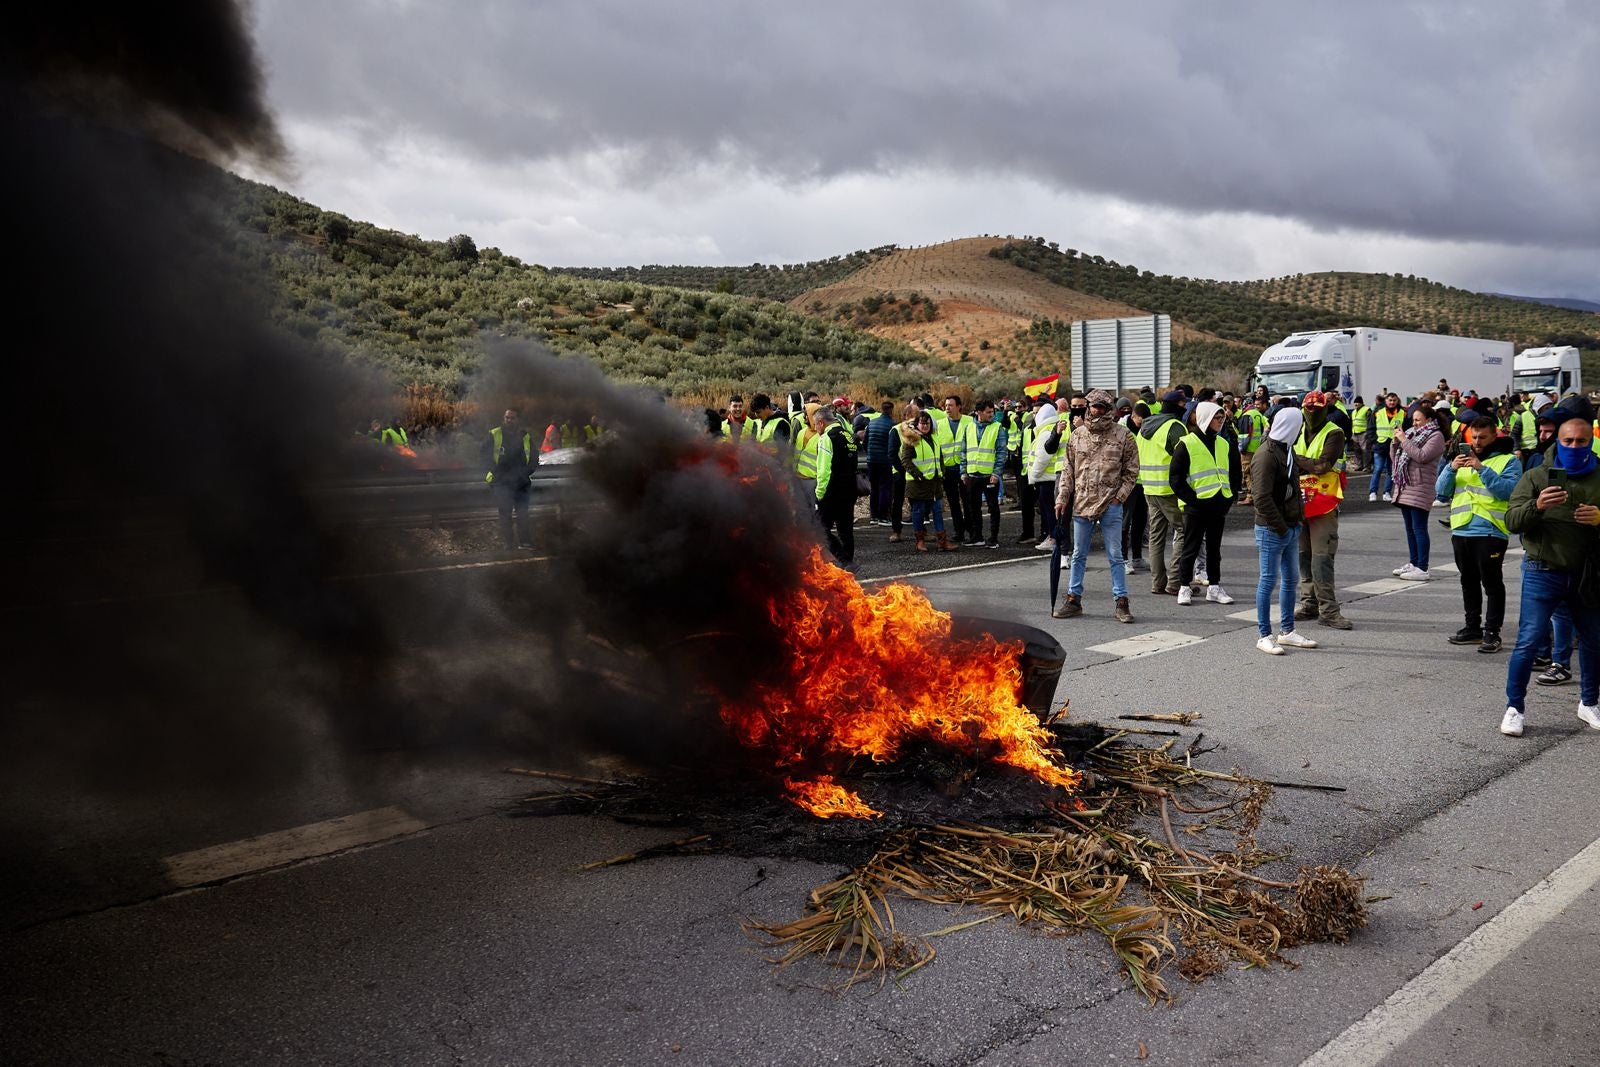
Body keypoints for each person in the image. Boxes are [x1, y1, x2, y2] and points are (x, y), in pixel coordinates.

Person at [1499, 411, 1600, 737]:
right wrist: (1538, 507)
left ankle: (1589, 702)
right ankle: (1514, 707)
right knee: (1528, 642)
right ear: (1557, 441)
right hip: (1543, 569)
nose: (1574, 446)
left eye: (1581, 441)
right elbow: (1512, 521)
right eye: (1567, 440)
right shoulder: (1536, 476)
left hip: (1587, 573)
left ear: (1591, 441)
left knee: (1593, 641)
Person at [1052, 389, 1139, 622]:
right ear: (1087, 406)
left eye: (1101, 407)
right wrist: (1062, 498)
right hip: (1082, 503)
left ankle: (1121, 602)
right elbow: (1068, 470)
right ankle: (1073, 599)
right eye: (1093, 406)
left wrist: (1119, 497)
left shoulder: (1123, 436)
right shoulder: (1077, 435)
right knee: (1079, 554)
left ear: (1109, 409)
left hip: (1111, 504)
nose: (1096, 410)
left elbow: (1131, 472)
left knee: (1115, 555)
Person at [1438, 415, 1522, 653]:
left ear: (1495, 436)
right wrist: (1450, 469)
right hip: (1462, 528)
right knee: (1468, 581)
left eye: (1483, 437)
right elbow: (1441, 492)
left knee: (1492, 583)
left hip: (1491, 531)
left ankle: (1492, 632)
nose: (1477, 441)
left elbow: (1508, 491)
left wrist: (1481, 468)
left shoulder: (1508, 461)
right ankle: (1472, 627)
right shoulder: (1460, 459)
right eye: (1473, 437)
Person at [1251, 407, 1318, 654]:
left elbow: (1293, 489)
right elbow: (1261, 498)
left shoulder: (1286, 449)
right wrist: (1281, 527)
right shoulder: (1266, 455)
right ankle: (1264, 634)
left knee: (1291, 579)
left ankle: (1287, 631)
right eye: (1300, 425)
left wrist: (1297, 521)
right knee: (1268, 580)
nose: (1302, 429)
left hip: (1289, 525)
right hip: (1272, 528)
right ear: (1291, 427)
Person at [1170, 400, 1241, 606]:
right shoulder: (1186, 443)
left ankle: (1214, 587)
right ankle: (1184, 587)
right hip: (1196, 506)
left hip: (1219, 505)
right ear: (1205, 419)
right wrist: (1193, 500)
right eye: (1216, 418)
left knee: (1214, 549)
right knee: (1190, 548)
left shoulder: (1224, 443)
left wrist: (1230, 497)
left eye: (1222, 418)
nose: (1220, 421)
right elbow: (1175, 478)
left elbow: (1235, 474)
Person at [1294, 391, 1353, 629]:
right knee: (1304, 554)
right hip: (1300, 500)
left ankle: (1328, 609)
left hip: (1324, 502)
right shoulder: (1298, 429)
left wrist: (1297, 460)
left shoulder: (1334, 433)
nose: (1312, 412)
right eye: (1308, 408)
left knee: (1322, 556)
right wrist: (1308, 463)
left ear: (1325, 409)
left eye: (1317, 408)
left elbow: (1323, 465)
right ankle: (1309, 602)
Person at [1137, 390, 1190, 595]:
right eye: (1183, 404)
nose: (1185, 408)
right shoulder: (1175, 426)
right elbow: (1185, 458)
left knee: (1156, 537)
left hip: (1149, 488)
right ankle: (1175, 582)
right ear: (1177, 405)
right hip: (1170, 490)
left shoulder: (1145, 427)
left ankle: (1158, 582)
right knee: (1184, 532)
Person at [1389, 404, 1449, 580]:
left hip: (1421, 486)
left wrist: (1404, 440)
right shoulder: (1412, 434)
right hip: (1406, 486)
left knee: (1419, 528)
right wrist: (1395, 442)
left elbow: (1421, 456)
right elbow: (1396, 459)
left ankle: (1422, 567)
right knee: (1410, 529)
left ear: (1429, 420)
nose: (1414, 423)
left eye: (1418, 420)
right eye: (1413, 420)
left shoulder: (1436, 436)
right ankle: (1413, 563)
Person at [901, 410, 958, 553]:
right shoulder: (911, 440)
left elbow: (939, 457)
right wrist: (918, 475)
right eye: (922, 423)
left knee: (938, 511)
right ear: (917, 424)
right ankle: (920, 541)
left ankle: (942, 542)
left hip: (935, 482)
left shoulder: (934, 438)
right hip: (918, 483)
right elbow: (905, 460)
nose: (925, 426)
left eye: (927, 423)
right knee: (918, 512)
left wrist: (942, 472)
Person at [811, 403, 858, 567]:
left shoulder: (826, 438)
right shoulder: (848, 434)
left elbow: (823, 471)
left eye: (815, 424)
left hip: (833, 490)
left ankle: (844, 560)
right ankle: (849, 564)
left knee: (820, 529)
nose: (815, 429)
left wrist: (819, 494)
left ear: (821, 423)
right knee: (845, 529)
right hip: (850, 487)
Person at [484, 408, 536, 550]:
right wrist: (495, 473)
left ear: (517, 419)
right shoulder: (494, 434)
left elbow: (534, 457)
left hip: (521, 482)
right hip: (502, 482)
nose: (509, 420)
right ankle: (509, 544)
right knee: (505, 514)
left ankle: (525, 543)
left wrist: (525, 473)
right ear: (503, 418)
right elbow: (484, 455)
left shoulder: (525, 436)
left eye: (512, 418)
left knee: (523, 514)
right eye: (507, 417)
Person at [960, 398, 1007, 547]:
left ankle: (993, 538)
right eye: (988, 412)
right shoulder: (969, 428)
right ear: (978, 412)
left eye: (992, 411)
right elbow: (964, 452)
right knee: (973, 508)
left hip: (989, 476)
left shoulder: (997, 427)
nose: (991, 414)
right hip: (973, 475)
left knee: (993, 507)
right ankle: (977, 536)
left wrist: (996, 473)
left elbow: (1001, 452)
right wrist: (964, 472)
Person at [933, 396, 974, 542]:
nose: (947, 408)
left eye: (950, 405)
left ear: (959, 406)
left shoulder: (970, 421)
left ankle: (971, 529)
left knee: (968, 500)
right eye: (946, 405)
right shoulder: (939, 424)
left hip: (965, 468)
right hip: (948, 469)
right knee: (953, 502)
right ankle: (959, 531)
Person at [1027, 400, 1063, 549]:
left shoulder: (1045, 433)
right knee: (1050, 511)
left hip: (1046, 479)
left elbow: (1042, 458)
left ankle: (1054, 538)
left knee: (1049, 511)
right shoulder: (1050, 430)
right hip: (1050, 479)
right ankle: (1053, 536)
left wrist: (1033, 477)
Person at [865, 400, 898, 527]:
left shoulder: (872, 423)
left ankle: (873, 516)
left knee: (874, 488)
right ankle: (883, 517)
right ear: (891, 410)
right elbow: (893, 445)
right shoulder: (892, 425)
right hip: (885, 461)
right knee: (885, 488)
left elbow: (865, 442)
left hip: (871, 460)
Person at [1371, 393, 1405, 501]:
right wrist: (1373, 441)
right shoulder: (1377, 412)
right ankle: (1373, 492)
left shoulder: (1402, 413)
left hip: (1395, 446)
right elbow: (1371, 428)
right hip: (1380, 445)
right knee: (1378, 469)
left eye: (1394, 400)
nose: (1392, 402)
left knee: (1391, 471)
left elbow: (1407, 429)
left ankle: (1387, 492)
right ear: (1386, 401)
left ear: (1397, 401)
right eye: (1390, 400)